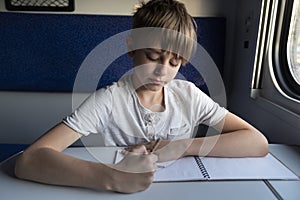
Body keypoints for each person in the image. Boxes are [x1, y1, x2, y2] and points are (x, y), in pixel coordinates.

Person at [14, 0, 269, 194]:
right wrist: (111, 176)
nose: (163, 71)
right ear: (131, 46)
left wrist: (182, 146)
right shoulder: (109, 100)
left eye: (175, 61)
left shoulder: (189, 95)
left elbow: (257, 142)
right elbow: (29, 160)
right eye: (153, 57)